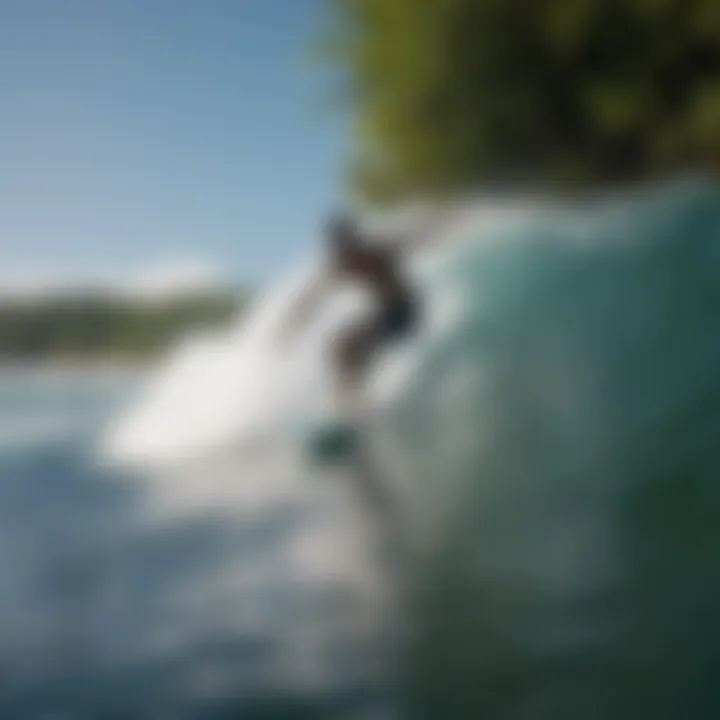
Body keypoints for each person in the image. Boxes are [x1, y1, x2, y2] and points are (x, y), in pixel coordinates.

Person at [280, 210, 442, 417]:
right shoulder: (342, 264)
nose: (342, 249)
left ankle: (358, 411)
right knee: (339, 349)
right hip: (385, 314)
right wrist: (293, 323)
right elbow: (314, 296)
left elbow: (409, 241)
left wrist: (437, 225)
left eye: (345, 242)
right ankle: (355, 409)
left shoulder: (373, 252)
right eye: (338, 245)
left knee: (350, 346)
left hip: (403, 311)